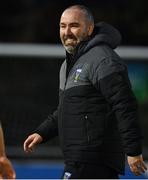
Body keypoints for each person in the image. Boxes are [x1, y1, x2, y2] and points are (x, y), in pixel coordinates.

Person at [24, 5, 147, 179]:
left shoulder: (102, 59)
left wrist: (133, 150)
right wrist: (42, 132)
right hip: (80, 161)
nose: (67, 32)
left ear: (89, 29)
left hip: (92, 161)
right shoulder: (68, 65)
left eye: (74, 25)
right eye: (62, 26)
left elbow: (124, 105)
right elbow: (67, 109)